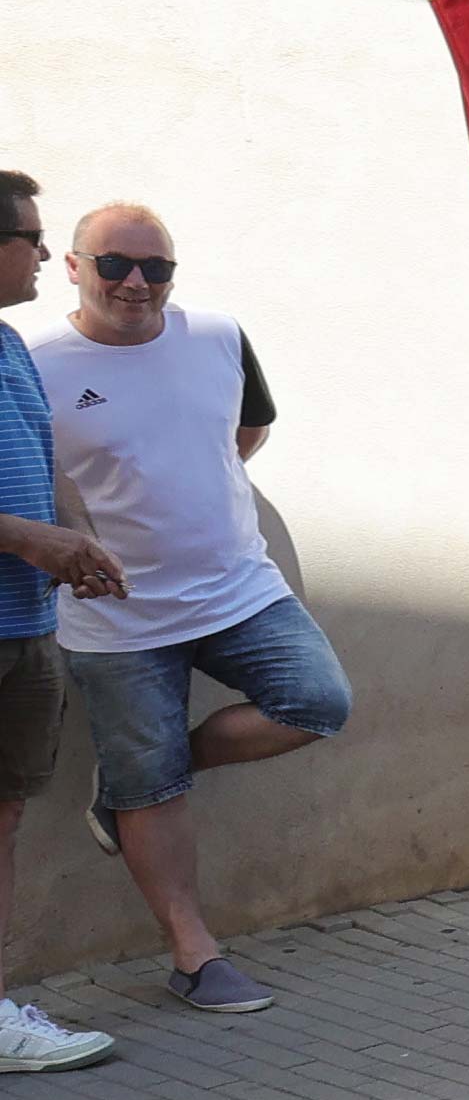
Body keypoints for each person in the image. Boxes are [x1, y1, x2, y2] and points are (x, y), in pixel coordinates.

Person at [29, 204, 355, 1015]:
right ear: (73, 266)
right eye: (115, 264)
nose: (137, 283)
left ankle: (140, 780)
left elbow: (248, 429)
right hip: (116, 617)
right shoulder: (33, 362)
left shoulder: (218, 334)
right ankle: (195, 955)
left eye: (157, 268)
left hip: (239, 589)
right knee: (150, 785)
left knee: (317, 702)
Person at [0, 173, 122, 1072]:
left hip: (23, 630)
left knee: (2, 822)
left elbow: (44, 467)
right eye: (32, 237)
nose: (46, 254)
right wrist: (31, 539)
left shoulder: (8, 345)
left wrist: (75, 538)